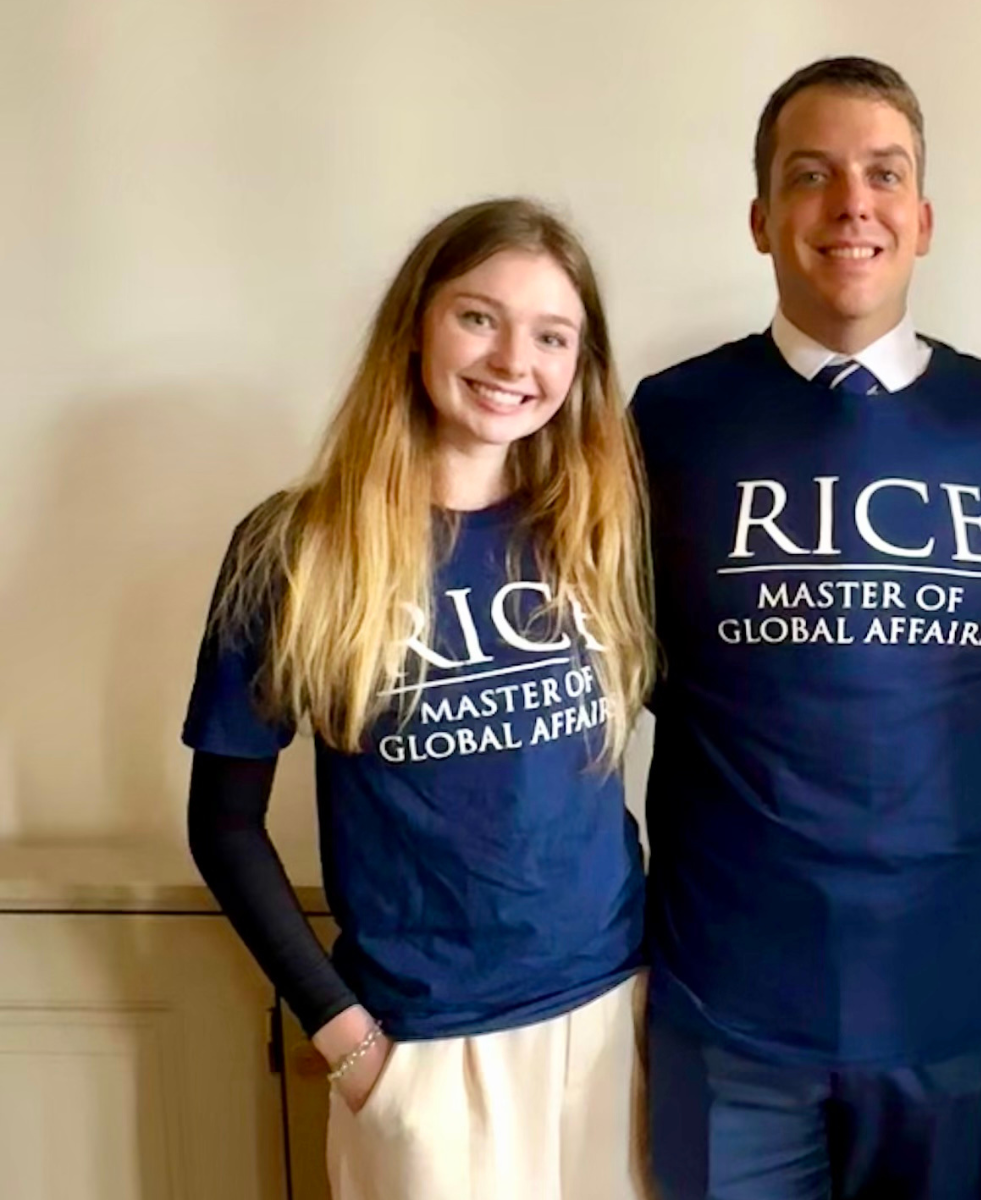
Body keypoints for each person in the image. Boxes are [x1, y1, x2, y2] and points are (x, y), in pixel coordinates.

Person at [630, 56, 981, 1200]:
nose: (852, 204)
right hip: (728, 998)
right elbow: (609, 669)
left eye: (885, 174)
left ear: (923, 219)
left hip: (957, 994)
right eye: (811, 174)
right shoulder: (667, 420)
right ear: (760, 216)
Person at [182, 198, 655, 1199]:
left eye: (551, 334)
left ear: (579, 365)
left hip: (618, 1022)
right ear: (416, 322)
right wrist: (348, 1042)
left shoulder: (599, 531)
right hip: (420, 1051)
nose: (512, 359)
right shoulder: (293, 550)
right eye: (478, 316)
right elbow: (224, 825)